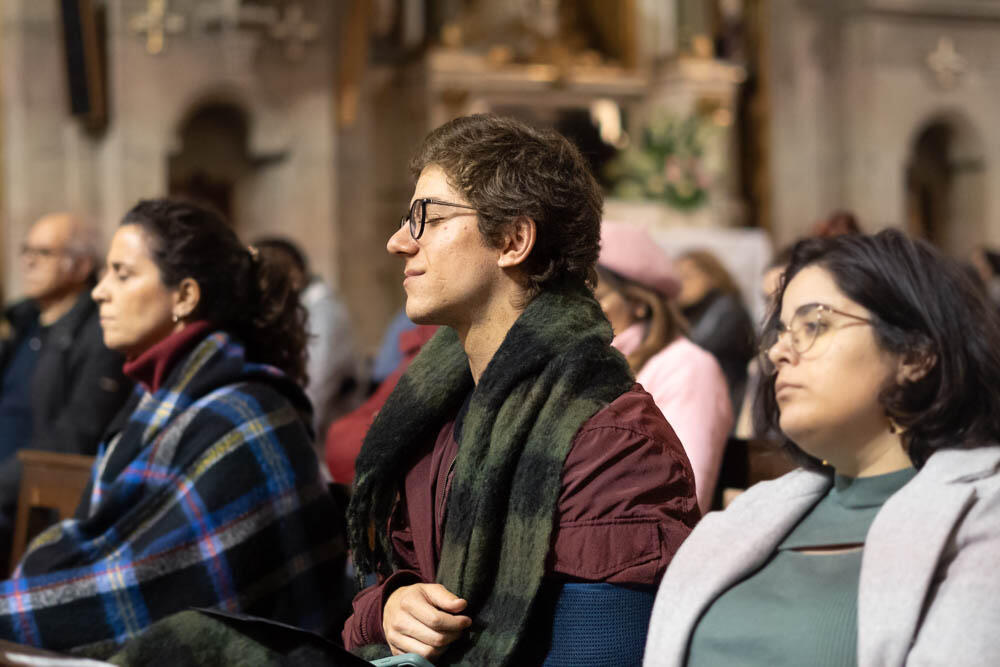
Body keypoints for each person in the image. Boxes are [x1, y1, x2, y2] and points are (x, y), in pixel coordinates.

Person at [343, 115, 699, 664]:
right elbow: (381, 590)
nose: (397, 243)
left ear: (512, 240)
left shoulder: (615, 444)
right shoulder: (435, 410)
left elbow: (600, 654)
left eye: (427, 218)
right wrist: (391, 606)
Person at [0, 199, 347, 652]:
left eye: (123, 274)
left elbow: (149, 587)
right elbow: (105, 546)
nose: (100, 292)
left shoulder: (243, 415)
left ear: (184, 295)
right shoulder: (158, 399)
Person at [644, 230, 1000, 666]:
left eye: (815, 325)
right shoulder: (751, 514)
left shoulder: (982, 510)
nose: (777, 352)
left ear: (915, 354)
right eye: (779, 332)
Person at [0, 213, 131, 548]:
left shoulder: (100, 335)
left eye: (43, 253)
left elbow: (73, 439)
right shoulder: (21, 322)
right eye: (26, 250)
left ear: (81, 265)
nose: (28, 261)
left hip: (28, 503)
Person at [596, 223, 733, 514]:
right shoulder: (583, 365)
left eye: (594, 297)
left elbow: (682, 493)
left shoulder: (687, 366)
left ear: (639, 302)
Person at [254, 237, 364, 446]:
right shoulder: (291, 311)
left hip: (328, 446)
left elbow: (314, 391)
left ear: (294, 275)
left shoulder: (324, 312)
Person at [675, 249, 755, 416]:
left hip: (725, 403)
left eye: (688, 276)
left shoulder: (728, 310)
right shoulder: (689, 314)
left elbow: (700, 353)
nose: (682, 284)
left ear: (712, 276)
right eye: (678, 278)